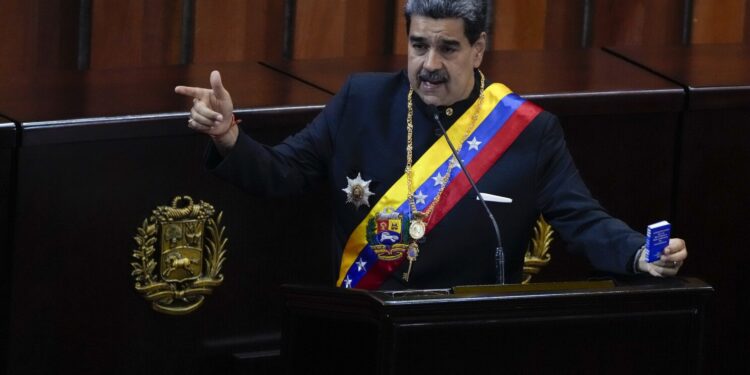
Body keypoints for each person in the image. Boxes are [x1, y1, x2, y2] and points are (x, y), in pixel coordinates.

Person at [175, 0, 687, 290]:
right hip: (367, 321)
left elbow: (582, 219)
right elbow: (282, 173)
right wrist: (228, 134)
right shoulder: (362, 101)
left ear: (478, 48)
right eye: (419, 46)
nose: (429, 64)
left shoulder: (527, 130)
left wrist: (639, 252)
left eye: (448, 47)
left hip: (468, 334)